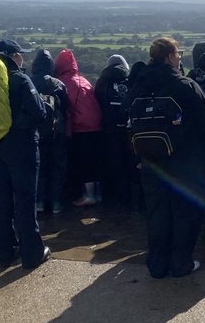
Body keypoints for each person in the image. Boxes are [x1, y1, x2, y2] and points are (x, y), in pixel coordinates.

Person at [129, 37, 205, 279]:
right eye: (178, 54)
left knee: (157, 212)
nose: (180, 57)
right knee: (184, 212)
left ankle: (157, 265)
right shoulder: (185, 86)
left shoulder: (139, 84)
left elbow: (131, 122)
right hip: (185, 159)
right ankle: (181, 263)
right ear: (170, 56)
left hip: (150, 158)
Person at [0, 40, 50, 271]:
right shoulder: (19, 79)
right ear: (13, 56)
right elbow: (39, 112)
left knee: (1, 197)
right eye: (20, 54)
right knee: (24, 198)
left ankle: (4, 251)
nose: (22, 58)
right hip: (20, 145)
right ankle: (32, 253)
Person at [54, 49, 103, 206]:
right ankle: (98, 194)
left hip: (80, 127)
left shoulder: (62, 82)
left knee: (83, 163)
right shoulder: (84, 80)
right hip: (96, 125)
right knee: (95, 161)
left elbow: (66, 109)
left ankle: (88, 196)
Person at [30, 51, 69, 215]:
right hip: (56, 132)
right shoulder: (58, 84)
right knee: (57, 167)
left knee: (38, 168)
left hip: (35, 132)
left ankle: (38, 203)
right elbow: (65, 108)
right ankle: (56, 203)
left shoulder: (28, 82)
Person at [94, 54, 133, 207]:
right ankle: (131, 198)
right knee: (130, 163)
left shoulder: (102, 82)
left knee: (113, 162)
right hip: (129, 129)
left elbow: (96, 103)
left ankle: (115, 198)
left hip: (109, 130)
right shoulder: (130, 80)